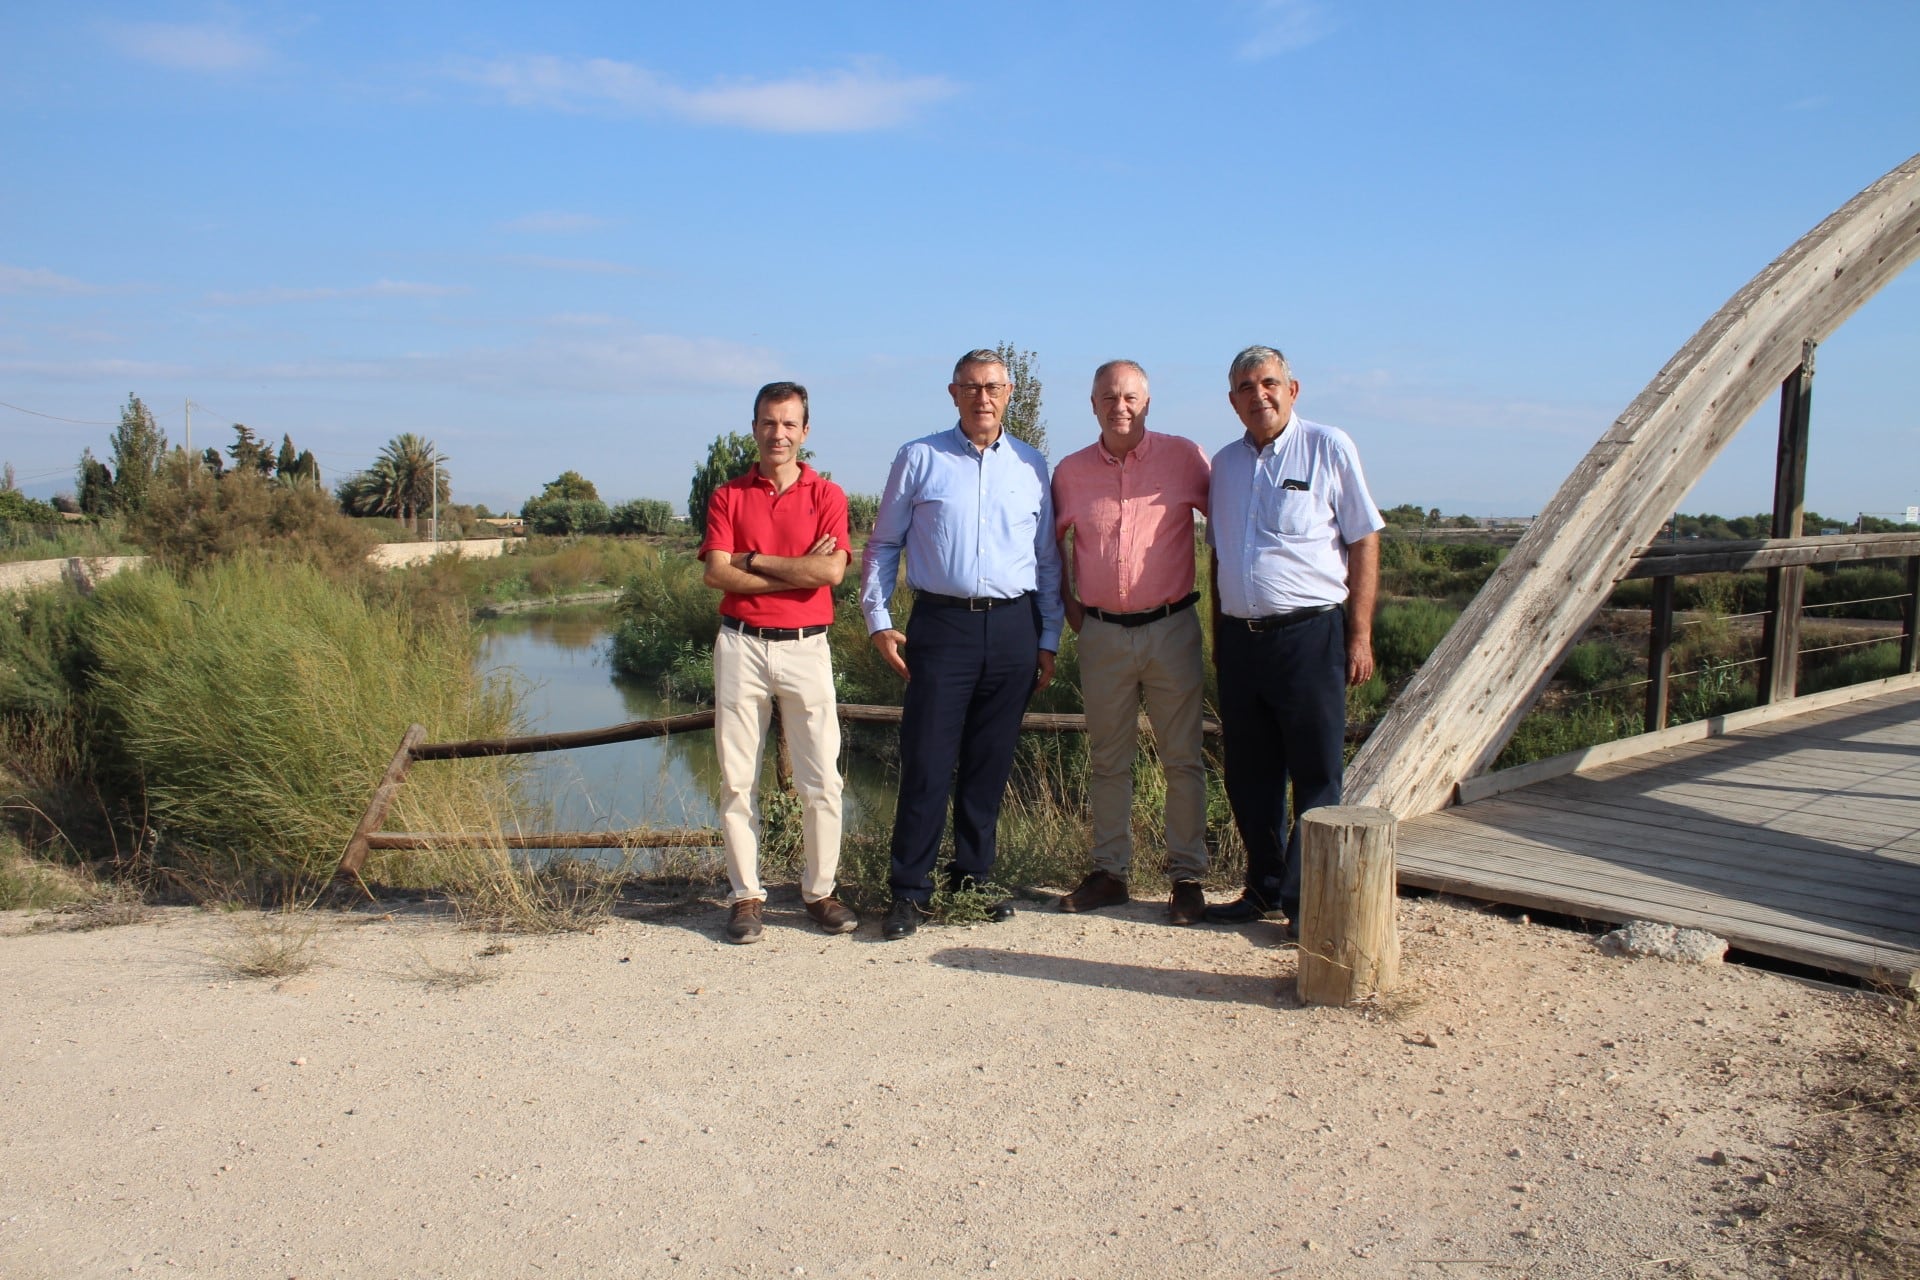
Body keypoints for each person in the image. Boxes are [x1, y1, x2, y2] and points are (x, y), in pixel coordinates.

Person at [861, 348, 1064, 941]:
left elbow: (1047, 560)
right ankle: (908, 891)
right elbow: (882, 547)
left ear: (1009, 394)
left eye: (993, 387)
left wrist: (1047, 636)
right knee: (926, 760)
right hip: (941, 626)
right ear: (953, 393)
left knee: (989, 760)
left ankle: (972, 878)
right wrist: (878, 618)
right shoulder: (919, 457)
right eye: (971, 387)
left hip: (1013, 627)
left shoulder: (1032, 465)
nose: (982, 397)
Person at [1205, 345, 1382, 929]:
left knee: (1315, 772)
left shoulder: (1329, 446)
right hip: (1240, 641)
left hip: (1309, 636)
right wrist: (1217, 637)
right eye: (1246, 388)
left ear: (1292, 388)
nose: (1260, 395)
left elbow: (1363, 539)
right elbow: (1219, 556)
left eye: (1269, 383)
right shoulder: (1224, 466)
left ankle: (1308, 904)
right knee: (1249, 772)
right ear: (1232, 401)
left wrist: (1359, 635)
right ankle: (1263, 887)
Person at [1051, 360, 1213, 923]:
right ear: (1092, 403)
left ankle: (1187, 876)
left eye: (1131, 397)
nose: (1120, 406)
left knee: (1183, 759)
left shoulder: (1186, 458)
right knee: (1108, 760)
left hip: (1172, 629)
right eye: (1108, 397)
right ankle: (1109, 873)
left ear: (1148, 401)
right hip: (1101, 635)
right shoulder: (1070, 472)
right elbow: (1052, 548)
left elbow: (1230, 525)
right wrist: (1072, 610)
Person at [698, 381, 858, 944]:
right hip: (740, 645)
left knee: (822, 778)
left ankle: (820, 892)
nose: (778, 434)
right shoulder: (728, 495)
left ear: (805, 431)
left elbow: (831, 574)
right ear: (754, 427)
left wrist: (756, 559)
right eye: (769, 422)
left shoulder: (827, 496)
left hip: (807, 646)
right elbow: (716, 572)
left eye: (789, 424)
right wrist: (795, 566)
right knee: (737, 779)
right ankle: (746, 896)